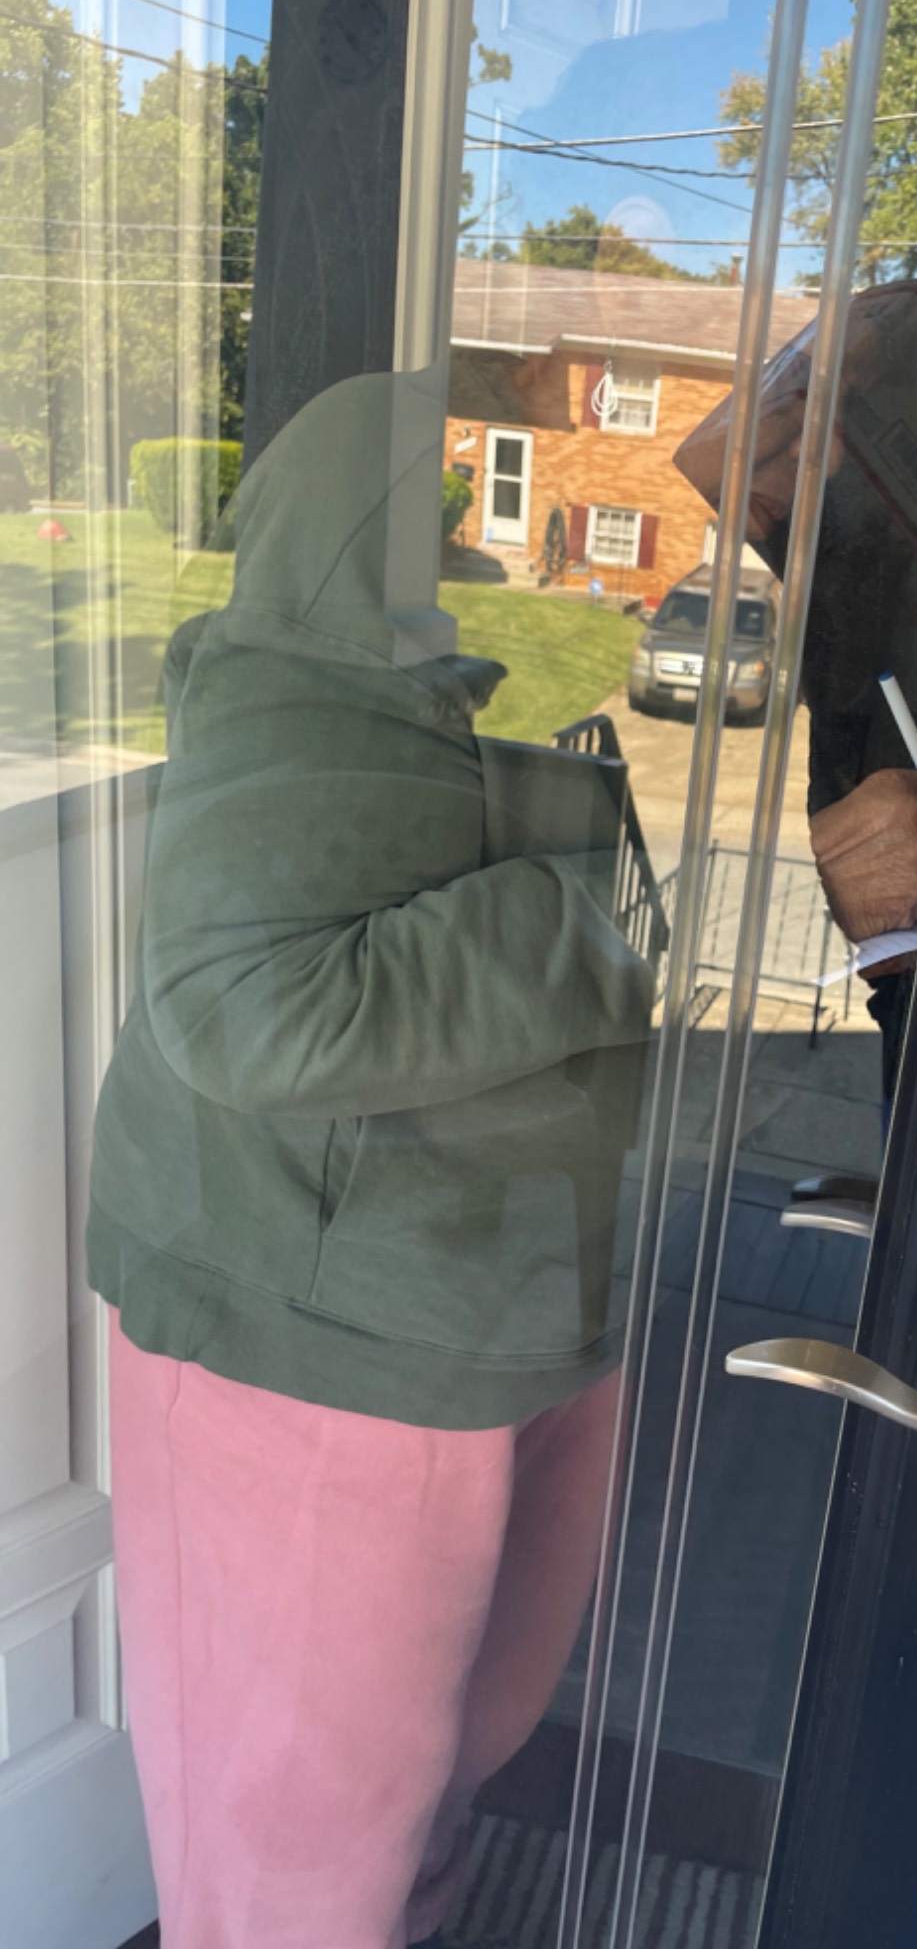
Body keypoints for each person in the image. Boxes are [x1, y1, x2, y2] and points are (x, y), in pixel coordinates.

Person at [88, 368, 654, 1949]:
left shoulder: (385, 696)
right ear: (352, 527)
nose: (463, 543)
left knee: (402, 1772)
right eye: (430, 510)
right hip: (319, 1357)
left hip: (445, 1321)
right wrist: (574, 918)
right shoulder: (287, 699)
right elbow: (245, 1012)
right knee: (302, 1806)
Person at [675, 279, 917, 1095]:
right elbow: (712, 459)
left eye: (814, 431)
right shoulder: (838, 557)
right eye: (796, 439)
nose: (810, 460)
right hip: (909, 978)